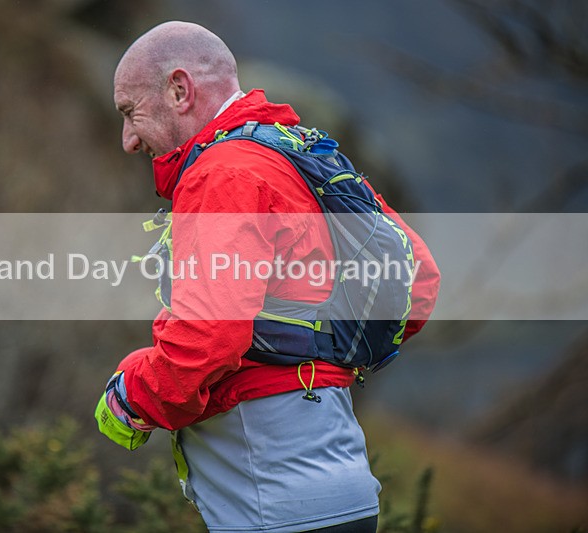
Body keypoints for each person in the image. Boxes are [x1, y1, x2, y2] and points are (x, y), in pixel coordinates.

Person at [95, 21, 440, 533]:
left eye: (130, 112)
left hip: (275, 504)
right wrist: (320, 350)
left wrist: (132, 396)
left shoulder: (223, 173)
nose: (128, 140)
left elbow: (208, 336)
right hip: (342, 484)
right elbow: (419, 282)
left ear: (179, 89)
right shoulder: (292, 152)